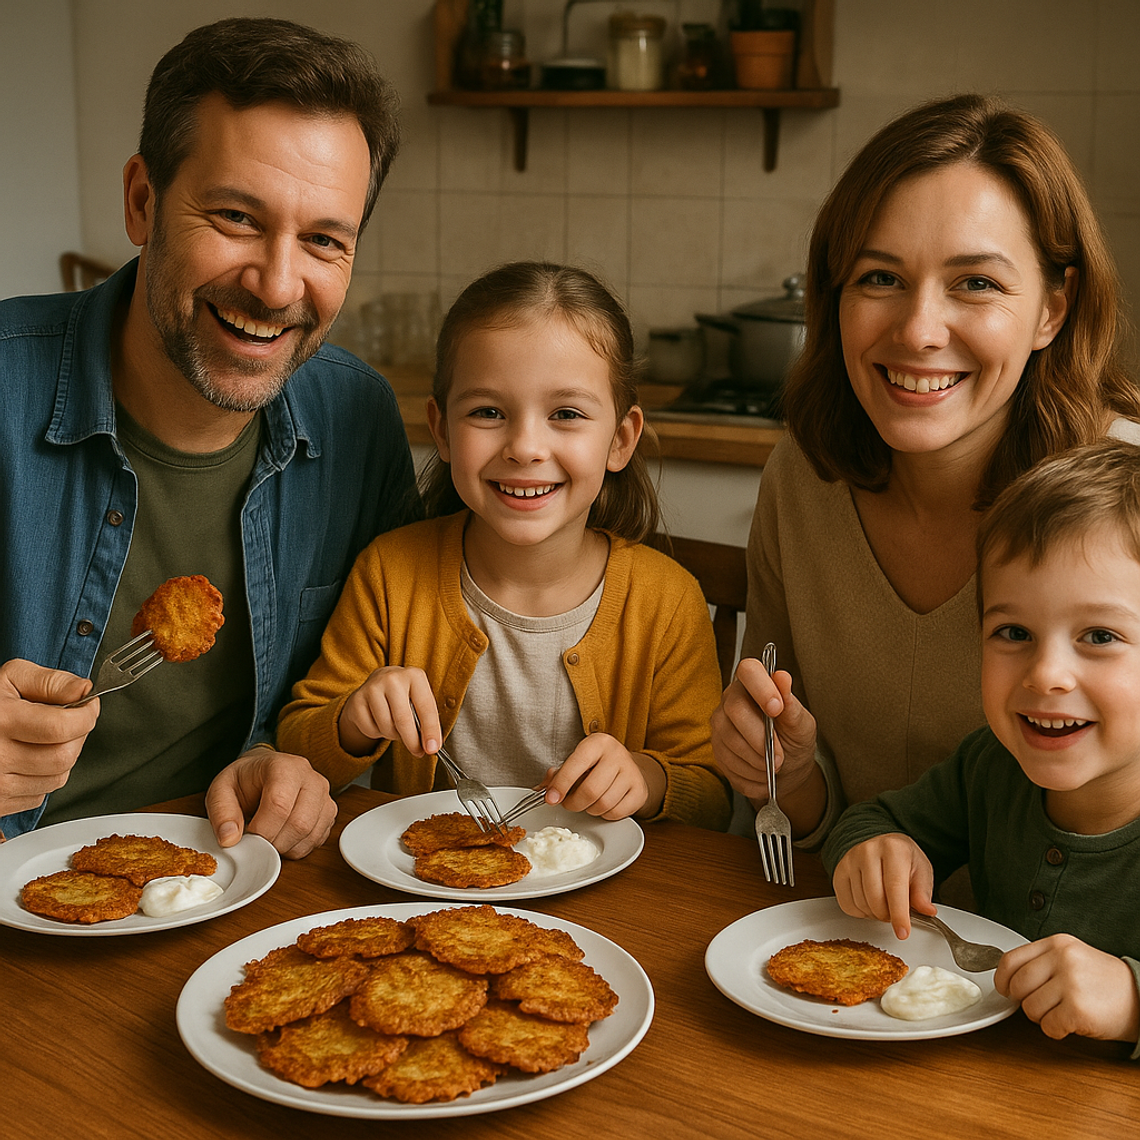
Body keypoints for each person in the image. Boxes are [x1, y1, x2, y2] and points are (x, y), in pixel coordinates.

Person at [0, 18, 418, 856]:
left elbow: (366, 697)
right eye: (235, 216)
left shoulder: (359, 420)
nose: (275, 283)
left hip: (237, 887)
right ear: (142, 202)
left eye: (325, 241)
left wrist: (290, 760)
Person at [711, 93, 1140, 849]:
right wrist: (787, 774)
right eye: (880, 278)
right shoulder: (802, 480)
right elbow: (806, 817)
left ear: (1053, 309)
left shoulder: (1127, 491)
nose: (917, 330)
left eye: (976, 283)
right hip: (855, 939)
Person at [277, 262, 732, 828]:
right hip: (428, 895)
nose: (525, 447)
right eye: (488, 412)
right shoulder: (390, 573)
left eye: (566, 414)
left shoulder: (667, 601)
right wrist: (353, 718)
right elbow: (298, 746)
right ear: (442, 431)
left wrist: (647, 777)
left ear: (620, 440)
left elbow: (713, 795)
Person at [824, 441, 1140, 1053]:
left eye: (1099, 635)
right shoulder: (991, 769)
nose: (1046, 673)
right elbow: (875, 819)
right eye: (1013, 632)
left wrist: (1131, 1002)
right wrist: (871, 848)